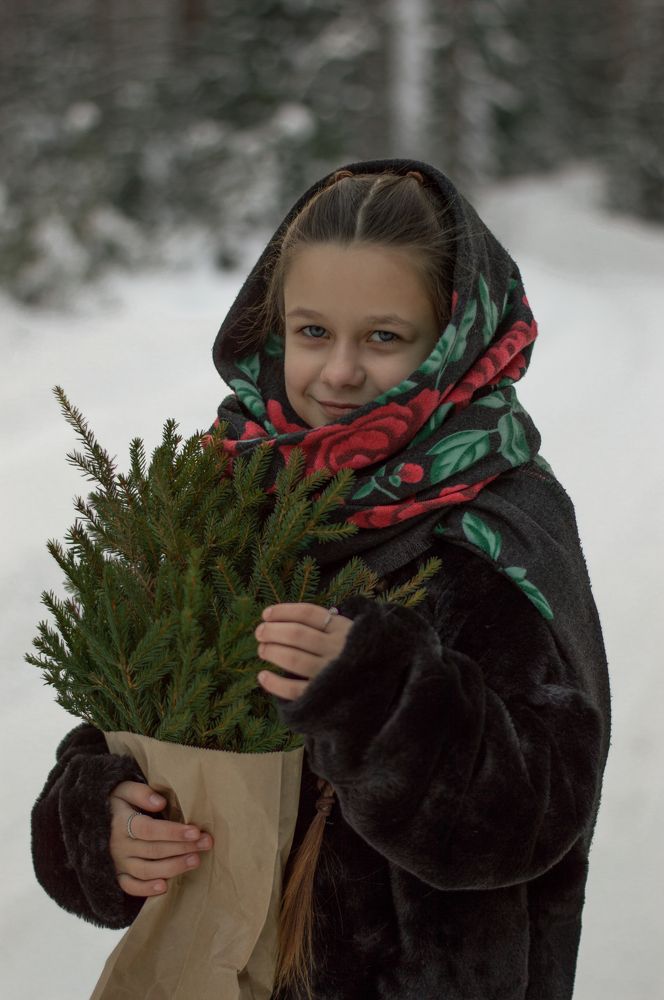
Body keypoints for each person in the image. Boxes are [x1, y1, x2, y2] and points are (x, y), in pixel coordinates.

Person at [31, 159, 610, 1000]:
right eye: (312, 333)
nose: (338, 372)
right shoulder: (228, 497)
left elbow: (531, 815)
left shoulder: (491, 527)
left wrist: (378, 693)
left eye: (382, 337)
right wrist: (101, 825)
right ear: (273, 330)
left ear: (452, 343)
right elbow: (119, 724)